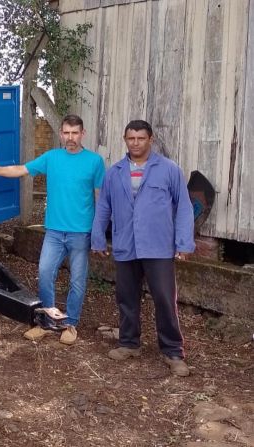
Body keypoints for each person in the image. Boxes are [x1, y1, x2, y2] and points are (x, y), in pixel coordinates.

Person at [0, 114, 105, 345]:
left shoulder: (94, 161)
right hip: (54, 231)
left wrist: (99, 233)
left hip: (80, 232)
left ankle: (70, 324)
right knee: (45, 273)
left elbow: (100, 198)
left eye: (75, 133)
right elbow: (20, 170)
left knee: (77, 280)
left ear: (83, 134)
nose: (70, 137)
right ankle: (47, 321)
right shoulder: (51, 158)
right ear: (61, 133)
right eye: (66, 132)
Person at [91, 119, 195, 377]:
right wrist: (97, 238)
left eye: (140, 138)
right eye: (131, 138)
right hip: (126, 243)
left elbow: (183, 207)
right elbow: (104, 206)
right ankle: (129, 343)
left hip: (158, 245)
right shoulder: (114, 172)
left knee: (164, 298)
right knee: (126, 297)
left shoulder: (169, 170)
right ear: (125, 140)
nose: (135, 143)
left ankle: (173, 351)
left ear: (151, 139)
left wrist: (184, 242)